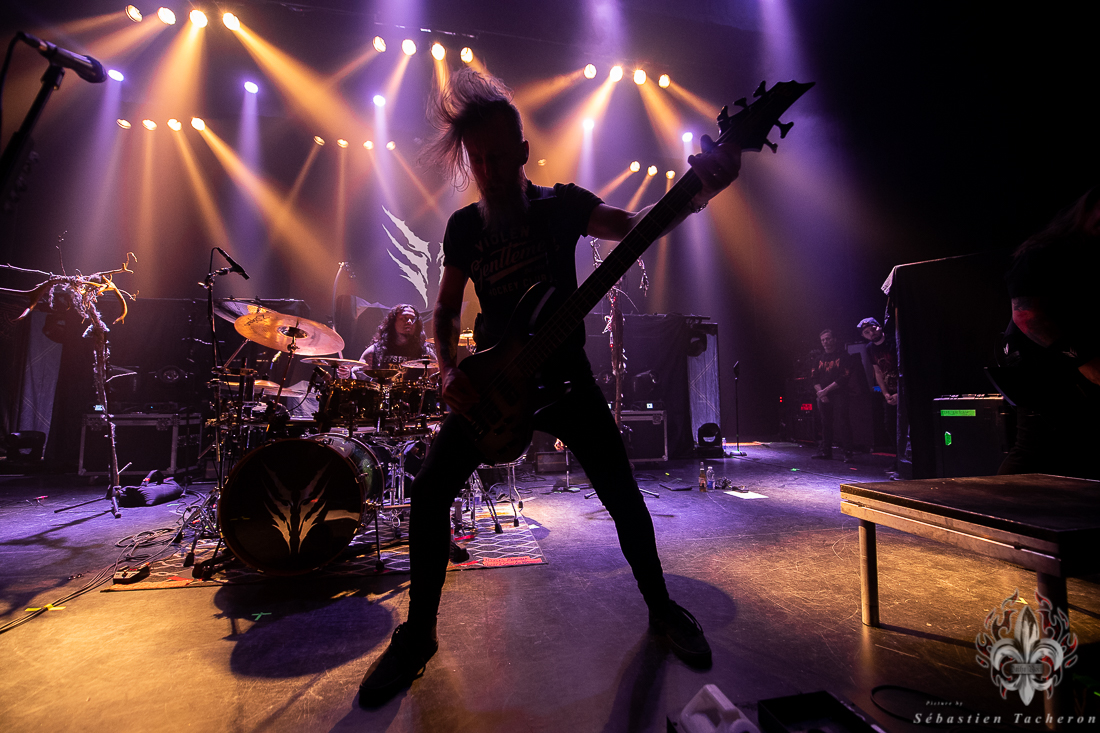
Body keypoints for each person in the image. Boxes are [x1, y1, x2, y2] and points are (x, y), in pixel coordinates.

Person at [357, 68, 740, 707]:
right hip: (495, 383)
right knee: (428, 491)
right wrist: (449, 371)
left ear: (523, 152)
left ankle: (662, 608)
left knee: (622, 494)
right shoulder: (464, 228)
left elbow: (633, 224)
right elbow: (445, 309)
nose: (489, 170)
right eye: (477, 160)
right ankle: (418, 635)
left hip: (565, 380)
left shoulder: (561, 206)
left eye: (499, 157)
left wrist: (698, 191)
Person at [997, 186, 1100, 479]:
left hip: (1076, 363)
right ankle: (997, 508)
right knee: (1033, 449)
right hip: (1041, 366)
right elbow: (1027, 316)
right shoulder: (1045, 252)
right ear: (1087, 208)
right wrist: (1083, 360)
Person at [857, 317, 898, 476]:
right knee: (890, 426)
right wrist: (886, 393)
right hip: (889, 392)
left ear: (879, 327)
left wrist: (900, 394)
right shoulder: (869, 348)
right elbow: (878, 372)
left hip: (903, 392)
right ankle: (899, 459)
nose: (871, 333)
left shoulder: (894, 342)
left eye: (873, 329)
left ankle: (910, 459)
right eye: (866, 332)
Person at [811, 328, 854, 462]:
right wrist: (821, 393)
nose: (825, 342)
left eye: (828, 339)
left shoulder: (844, 356)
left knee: (843, 422)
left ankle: (847, 452)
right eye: (823, 340)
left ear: (834, 340)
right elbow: (814, 378)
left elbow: (844, 377)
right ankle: (826, 451)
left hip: (839, 394)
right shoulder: (819, 359)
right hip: (823, 396)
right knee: (825, 423)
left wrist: (826, 391)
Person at [357, 304, 436, 370]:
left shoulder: (426, 353)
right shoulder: (375, 350)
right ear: (393, 322)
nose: (409, 322)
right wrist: (350, 371)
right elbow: (358, 372)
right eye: (404, 318)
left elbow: (436, 376)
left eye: (413, 319)